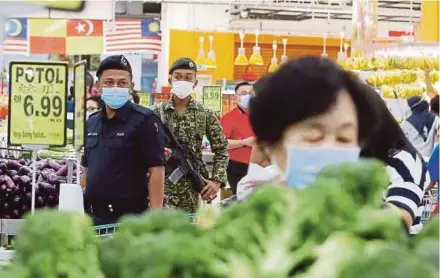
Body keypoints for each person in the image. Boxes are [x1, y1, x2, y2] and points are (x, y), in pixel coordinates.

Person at [244, 56, 428, 229]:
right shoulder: (252, 219)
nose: (330, 148)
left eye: (344, 138)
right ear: (270, 146)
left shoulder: (400, 162)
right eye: (314, 138)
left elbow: (400, 217)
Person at [81, 55, 166, 225]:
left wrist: (156, 220)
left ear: (130, 86)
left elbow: (156, 171)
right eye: (109, 82)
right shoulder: (92, 122)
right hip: (93, 216)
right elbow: (86, 168)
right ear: (98, 86)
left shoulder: (145, 120)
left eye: (122, 83)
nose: (115, 87)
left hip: (129, 218)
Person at [151, 57, 228, 213]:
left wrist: (216, 181)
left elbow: (222, 150)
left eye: (188, 77)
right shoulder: (154, 113)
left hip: (190, 191)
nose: (183, 80)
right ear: (170, 79)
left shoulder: (204, 113)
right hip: (159, 188)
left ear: (195, 82)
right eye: (178, 76)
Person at [220, 82, 255, 195]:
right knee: (241, 198)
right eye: (244, 93)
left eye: (250, 93)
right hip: (237, 166)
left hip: (259, 165)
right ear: (236, 97)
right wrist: (244, 142)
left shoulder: (259, 115)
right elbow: (221, 143)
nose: (247, 95)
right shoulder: (228, 117)